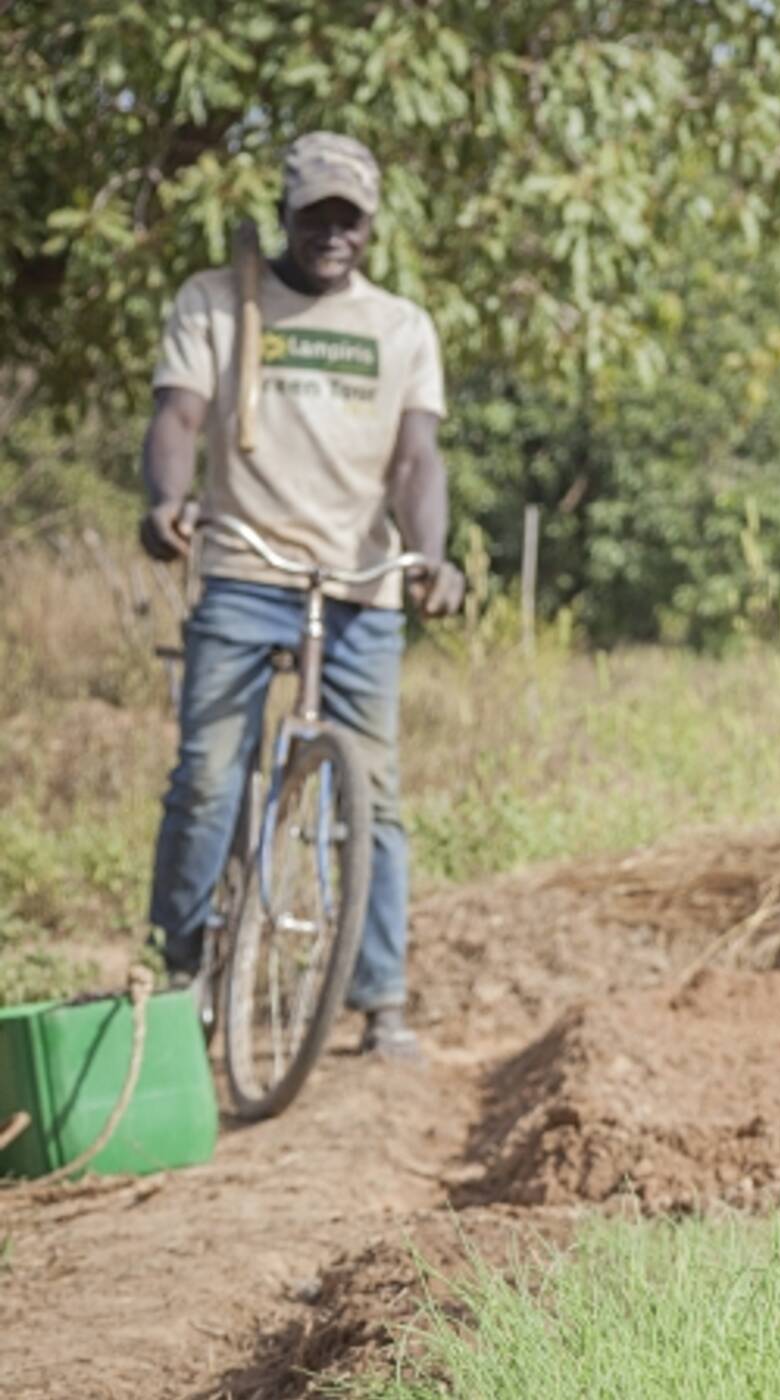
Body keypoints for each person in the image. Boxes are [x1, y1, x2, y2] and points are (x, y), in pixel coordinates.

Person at [139, 132, 465, 1065]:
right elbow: (178, 417)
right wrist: (166, 503)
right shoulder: (217, 300)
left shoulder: (400, 327)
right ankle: (179, 965)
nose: (331, 234)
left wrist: (429, 558)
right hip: (245, 570)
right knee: (206, 778)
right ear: (286, 212)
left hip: (359, 585)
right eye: (316, 214)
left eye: (348, 219)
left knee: (375, 792)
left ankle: (380, 999)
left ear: (369, 227)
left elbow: (416, 459)